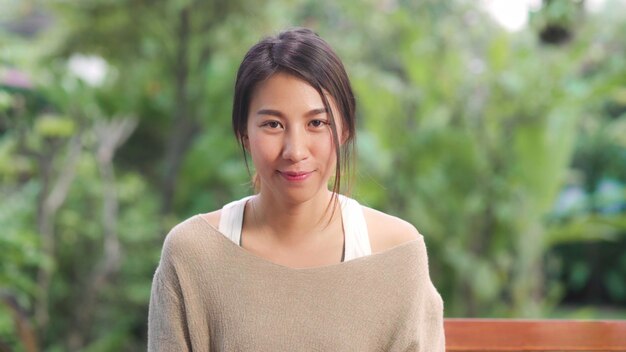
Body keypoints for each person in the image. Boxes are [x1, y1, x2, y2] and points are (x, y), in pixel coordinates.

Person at [148, 27, 445, 351]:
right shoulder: (192, 253)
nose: (295, 150)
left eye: (317, 123)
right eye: (273, 124)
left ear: (345, 128)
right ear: (244, 134)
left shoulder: (397, 254)